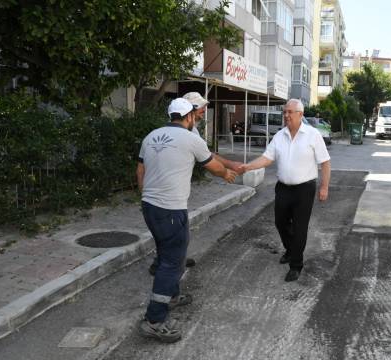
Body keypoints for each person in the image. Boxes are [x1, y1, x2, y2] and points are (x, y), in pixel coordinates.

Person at [136, 98, 237, 343]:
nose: (196, 118)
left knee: (168, 254)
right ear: (189, 116)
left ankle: (171, 297)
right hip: (171, 210)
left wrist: (147, 196)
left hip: (150, 207)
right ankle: (154, 320)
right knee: (173, 264)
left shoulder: (151, 137)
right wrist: (227, 173)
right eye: (195, 114)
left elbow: (140, 171)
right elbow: (212, 166)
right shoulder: (192, 139)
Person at [147, 92, 245, 276]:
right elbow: (209, 159)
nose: (204, 111)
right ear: (189, 110)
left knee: (172, 232)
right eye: (200, 108)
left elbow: (204, 153)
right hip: (170, 194)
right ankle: (166, 271)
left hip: (166, 192)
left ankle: (171, 260)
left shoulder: (184, 129)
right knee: (175, 232)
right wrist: (226, 170)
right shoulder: (187, 131)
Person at [240, 99, 331, 282]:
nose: (286, 115)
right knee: (280, 222)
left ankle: (296, 264)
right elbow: (267, 158)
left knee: (299, 228)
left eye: (290, 112)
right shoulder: (280, 135)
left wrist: (324, 187)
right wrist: (247, 166)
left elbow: (325, 162)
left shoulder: (312, 135)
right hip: (283, 188)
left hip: (304, 189)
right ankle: (291, 250)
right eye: (284, 112)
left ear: (300, 114)